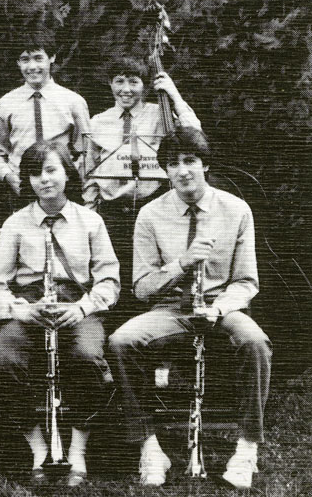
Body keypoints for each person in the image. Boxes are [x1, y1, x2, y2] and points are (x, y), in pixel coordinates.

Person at [108, 127, 271, 488]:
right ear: (165, 170)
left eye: (190, 161)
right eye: (173, 164)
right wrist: (181, 264)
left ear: (204, 164)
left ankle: (247, 448)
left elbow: (246, 282)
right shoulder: (150, 214)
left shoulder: (236, 210)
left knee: (256, 342)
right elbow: (142, 289)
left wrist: (219, 309)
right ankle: (150, 447)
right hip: (171, 310)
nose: (182, 171)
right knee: (121, 341)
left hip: (221, 307)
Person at [0, 142, 119, 487]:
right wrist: (21, 310)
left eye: (51, 170)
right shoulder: (15, 224)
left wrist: (82, 307)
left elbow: (109, 281)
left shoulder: (90, 221)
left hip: (77, 305)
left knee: (87, 356)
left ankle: (76, 449)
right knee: (4, 360)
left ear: (67, 173)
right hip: (30, 307)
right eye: (35, 173)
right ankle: (39, 450)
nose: (44, 179)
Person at [83, 57, 201, 317]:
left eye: (133, 82)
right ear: (110, 84)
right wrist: (90, 214)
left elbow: (194, 133)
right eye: (119, 81)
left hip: (151, 207)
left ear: (144, 86)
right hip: (113, 212)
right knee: (116, 273)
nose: (125, 89)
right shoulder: (98, 121)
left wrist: (173, 94)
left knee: (150, 274)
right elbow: (90, 174)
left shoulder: (159, 114)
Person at [0, 33, 90, 213]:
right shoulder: (6, 103)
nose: (32, 66)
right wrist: (8, 176)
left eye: (38, 58)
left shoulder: (73, 102)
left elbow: (87, 152)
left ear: (52, 57)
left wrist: (69, 176)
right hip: (21, 191)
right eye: (25, 60)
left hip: (62, 191)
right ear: (18, 63)